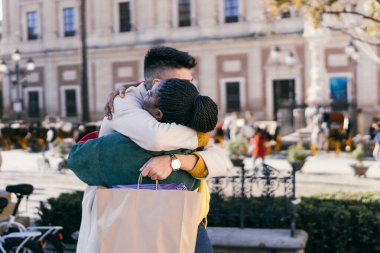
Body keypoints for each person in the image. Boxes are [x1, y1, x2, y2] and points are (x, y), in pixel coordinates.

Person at [75, 46, 228, 253]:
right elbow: (156, 137)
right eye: (182, 83)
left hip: (185, 216)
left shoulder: (181, 104)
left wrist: (176, 161)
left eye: (190, 83)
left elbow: (220, 161)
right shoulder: (124, 102)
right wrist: (200, 135)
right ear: (156, 83)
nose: (190, 91)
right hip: (131, 219)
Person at [68, 78, 218, 189]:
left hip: (123, 226)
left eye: (150, 94)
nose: (145, 92)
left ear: (158, 114)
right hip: (180, 228)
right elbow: (221, 162)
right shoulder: (195, 151)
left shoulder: (123, 145)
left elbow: (78, 159)